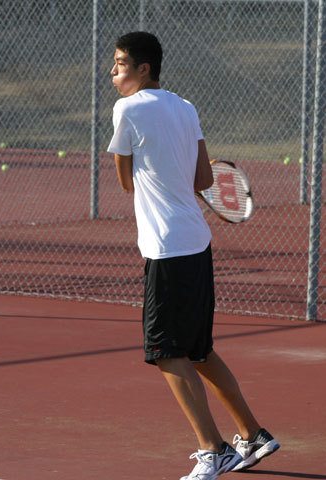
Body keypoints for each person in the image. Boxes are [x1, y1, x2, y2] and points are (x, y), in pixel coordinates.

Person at [107, 31, 280, 480]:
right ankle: (254, 435)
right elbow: (204, 176)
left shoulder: (126, 109)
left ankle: (213, 449)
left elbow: (125, 183)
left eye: (121, 63)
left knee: (166, 353)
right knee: (199, 351)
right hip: (196, 243)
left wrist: (148, 167)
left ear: (145, 68)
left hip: (166, 249)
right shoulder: (186, 108)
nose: (113, 71)